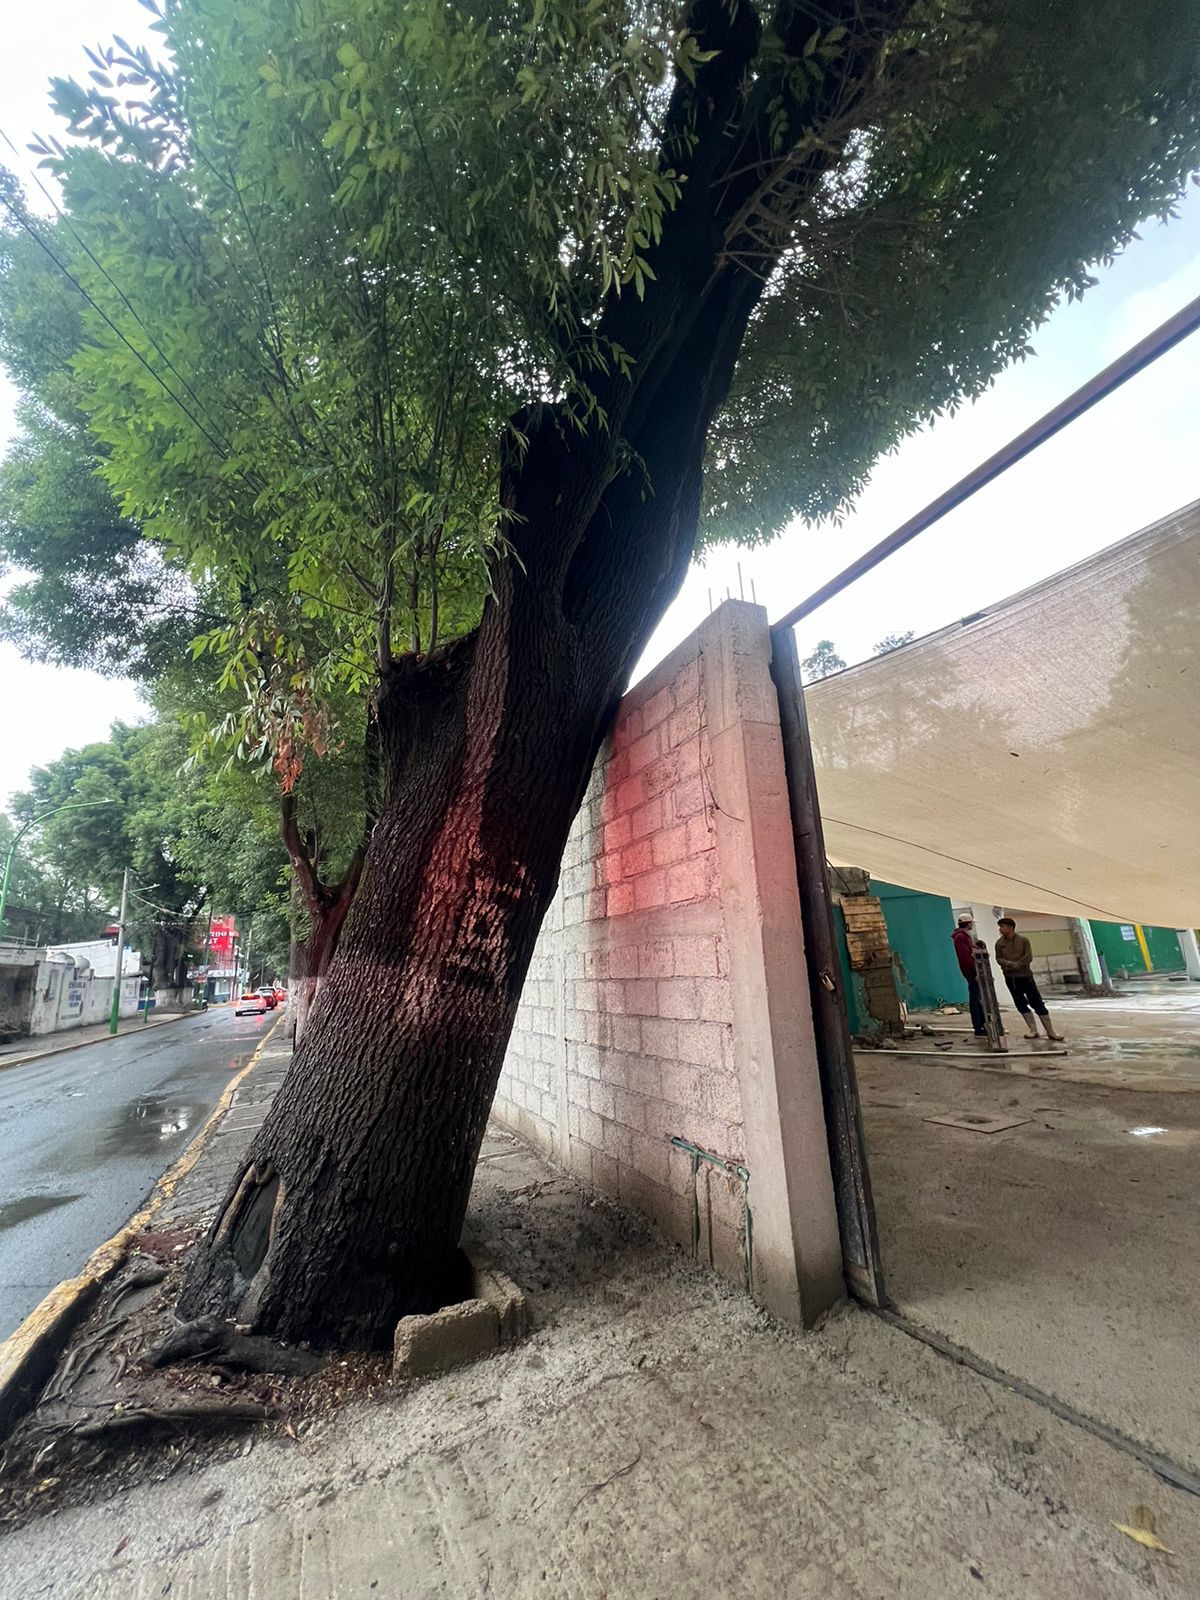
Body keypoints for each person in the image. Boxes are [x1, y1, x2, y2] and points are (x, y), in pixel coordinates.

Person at [994, 916, 1065, 1040]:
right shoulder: (999, 943)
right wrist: (1010, 964)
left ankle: (1050, 1031)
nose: (1000, 929)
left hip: (1025, 976)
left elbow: (1028, 957)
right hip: (1010, 977)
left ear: (1010, 927)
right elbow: (999, 958)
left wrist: (1018, 965)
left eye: (1002, 926)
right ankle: (1033, 1029)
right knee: (1020, 1002)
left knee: (1036, 1002)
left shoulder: (1023, 940)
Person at [951, 914, 987, 1037]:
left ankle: (981, 1025)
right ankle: (978, 1027)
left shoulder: (963, 936)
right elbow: (966, 957)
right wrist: (975, 971)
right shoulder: (961, 937)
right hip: (971, 972)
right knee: (975, 1000)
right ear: (968, 923)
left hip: (971, 971)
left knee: (977, 999)